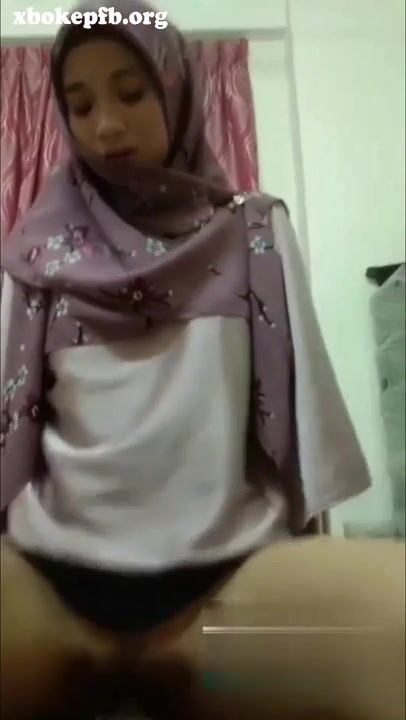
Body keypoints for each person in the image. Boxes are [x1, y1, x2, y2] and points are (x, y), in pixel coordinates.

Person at [0, 2, 404, 719]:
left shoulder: (254, 231)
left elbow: (301, 435)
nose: (107, 126)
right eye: (81, 105)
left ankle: (174, 670)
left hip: (219, 594)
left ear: (176, 86)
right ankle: (95, 669)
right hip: (55, 593)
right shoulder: (35, 257)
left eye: (132, 93)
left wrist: (305, 569)